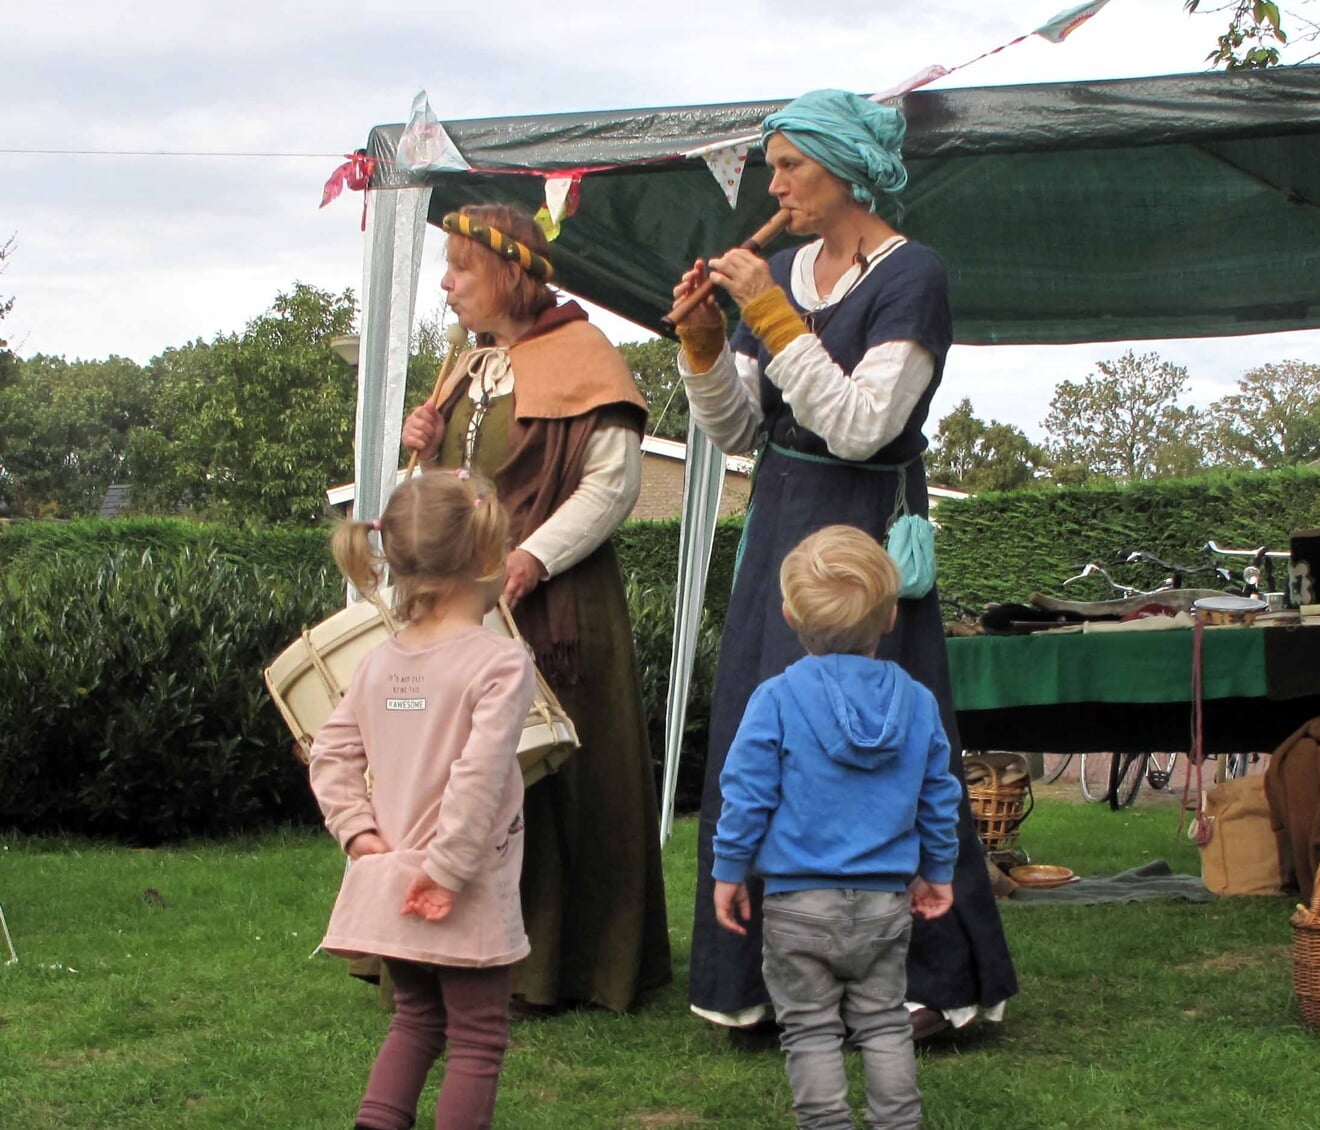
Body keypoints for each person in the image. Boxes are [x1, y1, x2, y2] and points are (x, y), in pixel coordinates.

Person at [672, 88, 1017, 1037]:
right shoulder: (779, 271)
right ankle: (763, 982)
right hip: (782, 523)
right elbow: (743, 428)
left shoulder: (915, 276)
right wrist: (705, 344)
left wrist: (773, 317)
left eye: (792, 165)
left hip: (864, 531)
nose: (773, 183)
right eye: (773, 165)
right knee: (766, 737)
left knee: (889, 748)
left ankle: (925, 985)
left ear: (848, 169)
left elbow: (866, 427)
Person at [398, 203, 670, 1015]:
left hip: (558, 607)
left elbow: (612, 485)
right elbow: (436, 496)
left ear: (510, 273)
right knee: (457, 777)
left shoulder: (585, 356)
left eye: (460, 268)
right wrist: (419, 445)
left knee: (552, 781)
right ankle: (444, 948)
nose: (446, 285)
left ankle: (558, 966)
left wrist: (532, 558)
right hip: (459, 610)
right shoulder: (467, 369)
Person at [712, 525, 960, 1129]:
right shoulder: (919, 701)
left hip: (799, 905)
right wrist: (939, 871)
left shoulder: (774, 698)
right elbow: (939, 797)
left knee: (811, 1030)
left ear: (789, 616)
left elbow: (746, 796)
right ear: (891, 616)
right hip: (882, 906)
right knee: (882, 1023)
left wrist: (728, 870)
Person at [308, 470, 533, 1130]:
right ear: (489, 555)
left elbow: (330, 755)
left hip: (392, 887)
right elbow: (477, 779)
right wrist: (446, 873)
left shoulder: (381, 665)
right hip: (458, 890)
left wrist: (361, 839)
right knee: (478, 1041)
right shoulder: (501, 663)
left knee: (416, 1021)